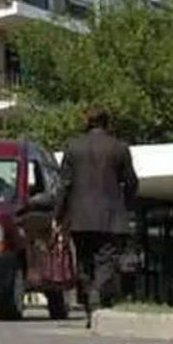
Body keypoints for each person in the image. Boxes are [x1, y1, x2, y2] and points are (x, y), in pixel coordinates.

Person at [55, 105, 139, 328]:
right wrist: (127, 205)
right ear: (107, 122)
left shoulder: (73, 147)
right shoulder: (119, 148)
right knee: (106, 260)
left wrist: (58, 214)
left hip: (79, 217)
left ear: (87, 122)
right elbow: (131, 182)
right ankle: (96, 295)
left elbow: (64, 185)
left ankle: (91, 302)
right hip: (110, 216)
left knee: (83, 261)